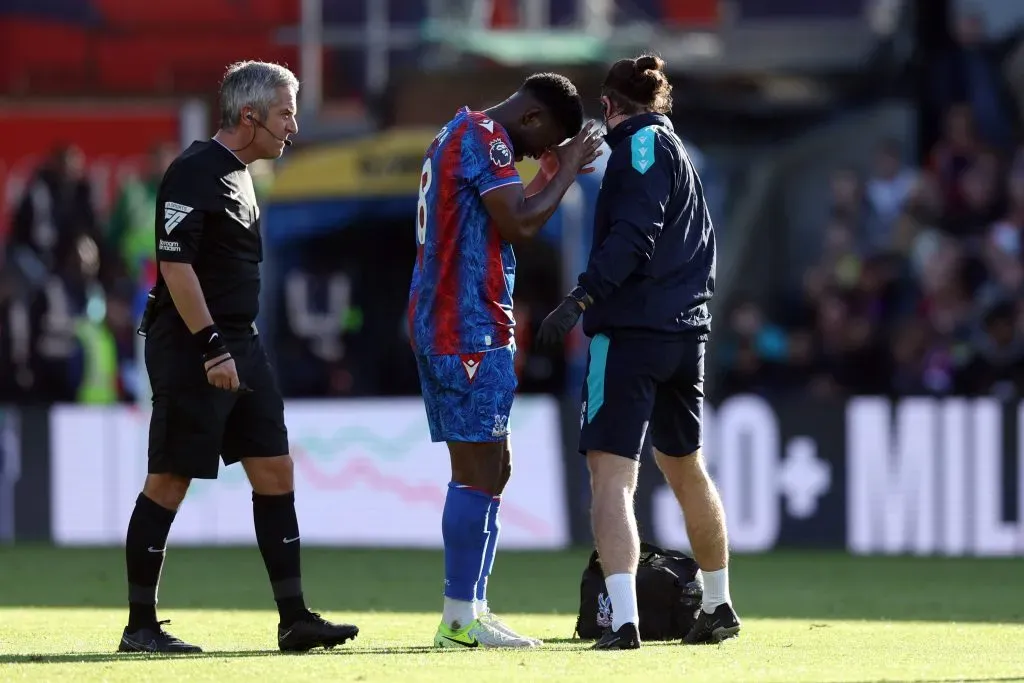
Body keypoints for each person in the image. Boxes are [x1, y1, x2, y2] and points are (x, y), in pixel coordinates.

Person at [118, 60, 359, 654]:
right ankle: (139, 627)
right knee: (169, 480)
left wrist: (232, 345)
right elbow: (174, 266)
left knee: (275, 470)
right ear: (248, 116)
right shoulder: (194, 171)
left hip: (240, 343)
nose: (293, 126)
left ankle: (294, 618)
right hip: (195, 345)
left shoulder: (244, 173)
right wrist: (210, 347)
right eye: (285, 113)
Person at [535, 55, 740, 649]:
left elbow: (633, 234)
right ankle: (720, 604)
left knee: (610, 477)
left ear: (609, 106)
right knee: (685, 467)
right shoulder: (687, 157)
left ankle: (622, 619)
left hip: (630, 336)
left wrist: (580, 298)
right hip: (686, 333)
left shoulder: (640, 149)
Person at [408, 73, 602, 649]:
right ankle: (458, 617)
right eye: (541, 146)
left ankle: (473, 607)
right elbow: (518, 221)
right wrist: (566, 170)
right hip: (461, 323)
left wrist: (548, 172)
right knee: (475, 469)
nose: (537, 156)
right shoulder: (487, 136)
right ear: (534, 118)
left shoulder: (457, 132)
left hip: (465, 321)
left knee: (496, 465)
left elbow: (502, 212)